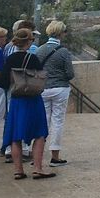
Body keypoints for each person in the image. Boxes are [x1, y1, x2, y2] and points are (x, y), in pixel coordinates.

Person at [1, 29, 54, 180]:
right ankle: (37, 168)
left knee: (15, 135)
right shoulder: (33, 58)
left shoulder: (10, 59)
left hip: (17, 99)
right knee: (39, 133)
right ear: (29, 41)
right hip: (33, 99)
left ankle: (18, 170)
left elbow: (3, 81)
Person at [37, 21, 75, 166]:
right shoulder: (63, 51)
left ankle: (38, 156)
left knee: (43, 121)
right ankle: (55, 156)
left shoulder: (40, 50)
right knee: (57, 121)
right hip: (60, 88)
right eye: (64, 32)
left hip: (43, 88)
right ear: (60, 33)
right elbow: (70, 74)